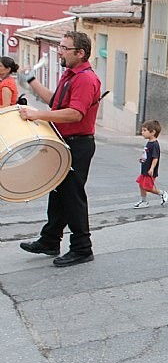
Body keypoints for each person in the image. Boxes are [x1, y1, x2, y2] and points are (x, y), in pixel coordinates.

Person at [18, 31, 102, 268]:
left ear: (80, 53)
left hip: (78, 144)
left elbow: (75, 113)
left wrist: (36, 115)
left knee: (72, 196)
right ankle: (50, 240)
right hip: (66, 142)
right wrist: (32, 80)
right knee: (57, 193)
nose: (60, 51)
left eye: (65, 48)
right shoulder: (70, 75)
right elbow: (56, 103)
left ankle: (82, 248)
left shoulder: (85, 79)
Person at [133, 120, 168, 208]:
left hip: (150, 170)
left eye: (144, 130)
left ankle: (162, 193)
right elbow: (147, 154)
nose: (142, 132)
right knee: (141, 184)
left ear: (153, 132)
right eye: (142, 130)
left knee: (148, 187)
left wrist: (152, 168)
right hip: (144, 168)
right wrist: (142, 158)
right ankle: (143, 201)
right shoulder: (149, 142)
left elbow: (155, 158)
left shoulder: (154, 144)